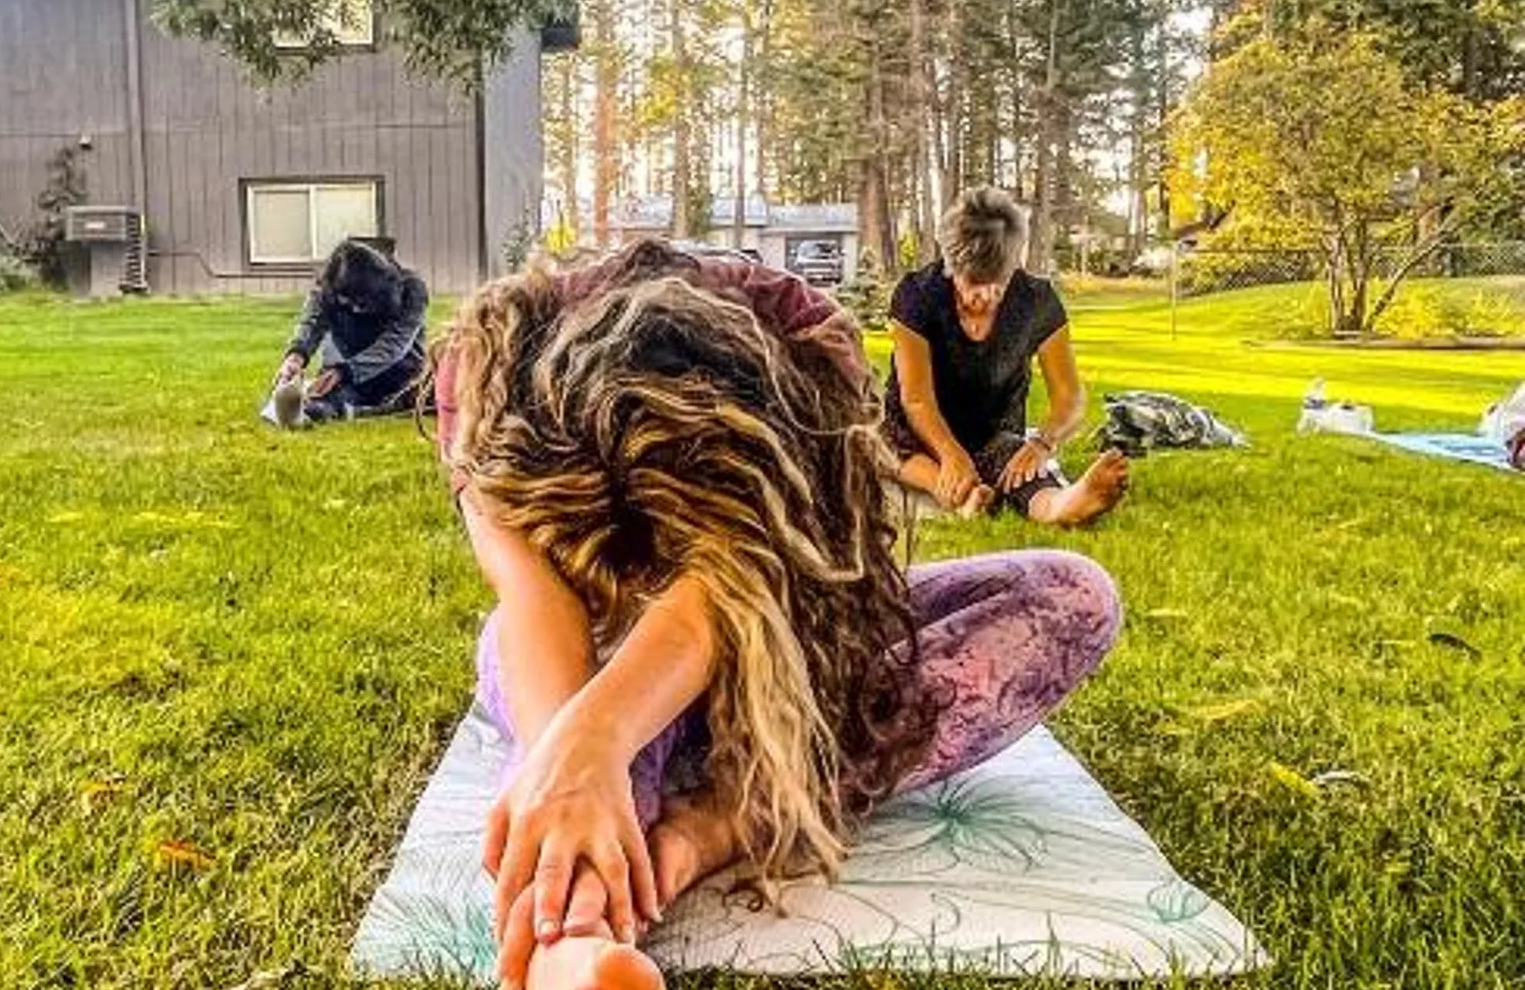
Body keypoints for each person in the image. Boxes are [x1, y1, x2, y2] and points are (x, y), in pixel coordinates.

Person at [430, 240, 1123, 990]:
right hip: (583, 644)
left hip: (779, 626)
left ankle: (716, 826)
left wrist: (635, 767)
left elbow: (728, 583)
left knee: (1072, 596)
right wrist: (570, 756)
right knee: (581, 726)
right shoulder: (486, 367)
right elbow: (534, 593)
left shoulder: (809, 350)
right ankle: (573, 939)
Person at [884, 187, 1130, 525]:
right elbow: (916, 400)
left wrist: (1043, 443)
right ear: (952, 266)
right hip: (919, 432)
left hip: (994, 434)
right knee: (880, 448)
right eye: (972, 284)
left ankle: (1063, 505)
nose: (984, 297)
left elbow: (1070, 396)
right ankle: (965, 496)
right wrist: (951, 453)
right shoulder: (917, 295)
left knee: (1018, 461)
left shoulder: (1037, 300)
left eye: (997, 285)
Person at [268, 240, 428, 427]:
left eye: (362, 303)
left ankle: (369, 409)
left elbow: (395, 344)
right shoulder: (328, 288)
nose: (355, 309)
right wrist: (296, 357)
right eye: (348, 303)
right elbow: (312, 323)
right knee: (322, 400)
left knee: (413, 396)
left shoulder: (412, 289)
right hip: (346, 375)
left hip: (400, 373)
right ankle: (310, 410)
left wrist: (345, 371)